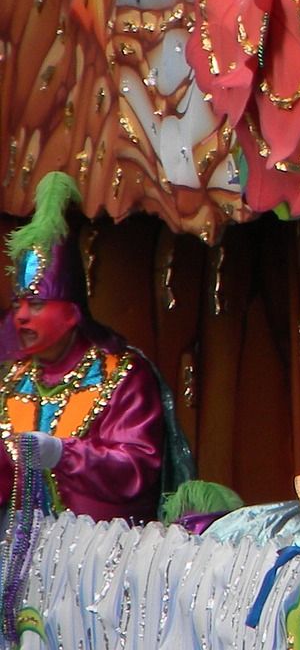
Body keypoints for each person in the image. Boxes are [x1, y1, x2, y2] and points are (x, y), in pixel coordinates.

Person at [0, 174, 166, 522]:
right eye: (18, 305)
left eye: (37, 304)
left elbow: (137, 468)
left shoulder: (120, 376)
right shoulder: (13, 380)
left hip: (98, 561)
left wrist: (63, 454)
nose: (22, 318)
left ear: (72, 312)